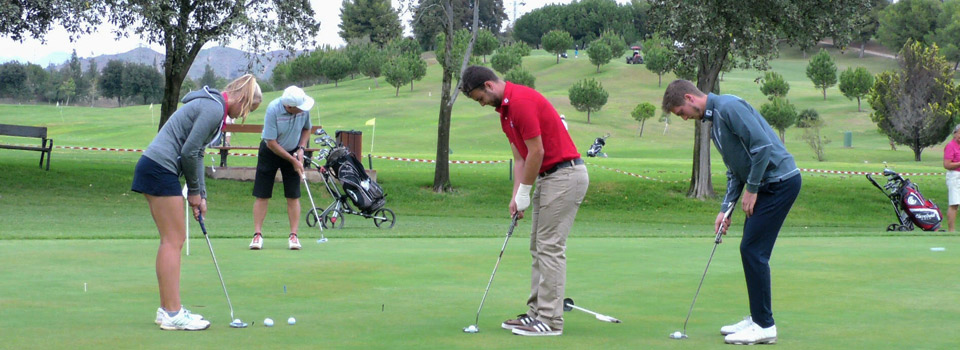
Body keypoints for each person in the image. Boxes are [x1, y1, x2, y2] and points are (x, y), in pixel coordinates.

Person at [662, 79, 801, 345]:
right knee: (752, 250)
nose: (683, 118)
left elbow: (762, 147)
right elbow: (735, 170)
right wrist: (726, 209)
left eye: (681, 112)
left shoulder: (729, 107)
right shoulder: (715, 124)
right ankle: (758, 316)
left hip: (780, 183)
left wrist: (752, 189)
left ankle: (764, 326)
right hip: (766, 185)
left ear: (690, 98)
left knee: (752, 250)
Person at [460, 65, 589, 337]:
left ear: (488, 85)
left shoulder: (521, 101)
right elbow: (520, 158)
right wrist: (516, 197)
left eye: (479, 98)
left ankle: (551, 321)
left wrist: (524, 193)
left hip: (565, 175)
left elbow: (537, 152)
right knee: (538, 246)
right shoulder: (505, 114)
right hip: (549, 177)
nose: (481, 104)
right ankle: (537, 313)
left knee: (550, 247)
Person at [132, 74, 262, 330]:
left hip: (157, 167)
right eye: (246, 109)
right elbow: (189, 151)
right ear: (241, 98)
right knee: (174, 240)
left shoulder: (213, 106)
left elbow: (198, 153)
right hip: (160, 168)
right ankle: (172, 313)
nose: (239, 115)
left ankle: (167, 309)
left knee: (171, 240)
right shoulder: (214, 108)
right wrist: (193, 191)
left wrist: (200, 194)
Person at [249, 86, 315, 250]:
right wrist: (292, 161)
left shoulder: (303, 107)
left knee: (293, 195)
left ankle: (294, 236)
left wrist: (300, 148)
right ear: (289, 107)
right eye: (299, 109)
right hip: (270, 151)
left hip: (293, 150)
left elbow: (307, 128)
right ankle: (257, 235)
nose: (302, 111)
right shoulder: (273, 109)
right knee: (262, 194)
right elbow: (271, 142)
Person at [943, 124, 960, 232]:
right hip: (954, 176)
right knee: (954, 204)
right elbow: (947, 165)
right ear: (955, 134)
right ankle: (951, 231)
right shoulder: (951, 146)